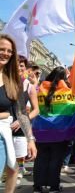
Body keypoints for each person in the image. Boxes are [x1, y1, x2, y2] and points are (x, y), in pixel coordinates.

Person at [32, 66, 75, 193]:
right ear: (64, 79)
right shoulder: (69, 93)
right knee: (56, 160)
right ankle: (54, 187)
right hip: (60, 133)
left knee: (41, 159)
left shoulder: (38, 90)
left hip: (41, 131)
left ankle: (37, 186)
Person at [0, 34, 37, 193]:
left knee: (13, 169)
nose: (6, 53)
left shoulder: (12, 80)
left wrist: (30, 139)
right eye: (2, 49)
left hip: (2, 134)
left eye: (9, 51)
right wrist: (3, 115)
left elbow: (21, 112)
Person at [13, 61, 40, 178]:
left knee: (17, 157)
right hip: (3, 125)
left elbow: (36, 110)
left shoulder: (29, 86)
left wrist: (22, 120)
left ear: (25, 68)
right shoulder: (3, 81)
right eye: (16, 64)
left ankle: (19, 170)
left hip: (20, 128)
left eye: (21, 65)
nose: (19, 67)